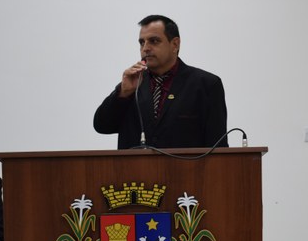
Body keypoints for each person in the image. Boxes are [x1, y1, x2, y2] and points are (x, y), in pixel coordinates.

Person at [94, 14, 228, 149]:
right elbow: (102, 126)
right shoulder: (132, 84)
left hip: (184, 163)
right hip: (136, 163)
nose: (145, 48)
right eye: (142, 42)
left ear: (175, 44)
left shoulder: (206, 85)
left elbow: (218, 147)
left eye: (154, 41)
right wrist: (123, 93)